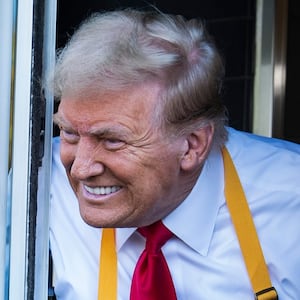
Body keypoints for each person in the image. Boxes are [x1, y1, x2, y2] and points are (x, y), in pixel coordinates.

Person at [48, 8, 300, 300]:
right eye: (70, 133)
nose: (80, 169)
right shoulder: (40, 180)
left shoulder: (291, 199)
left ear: (192, 146)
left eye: (112, 140)